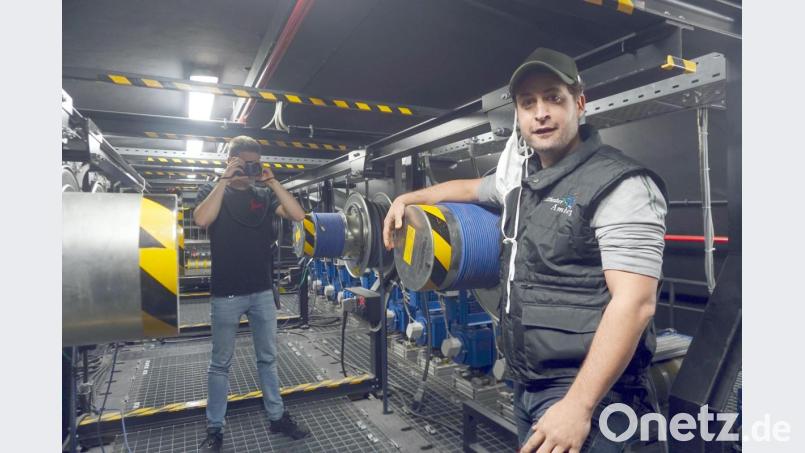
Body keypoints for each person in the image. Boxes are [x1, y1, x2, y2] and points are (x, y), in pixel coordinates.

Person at [383, 48, 668, 453]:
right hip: (529, 384)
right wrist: (408, 199)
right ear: (518, 115)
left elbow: (636, 304)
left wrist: (578, 406)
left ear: (579, 103)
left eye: (554, 97)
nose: (541, 113)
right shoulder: (524, 181)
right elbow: (468, 189)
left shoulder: (620, 185)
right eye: (528, 103)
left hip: (594, 397)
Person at [194, 136, 309, 451]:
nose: (250, 169)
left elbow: (298, 215)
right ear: (231, 161)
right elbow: (202, 219)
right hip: (226, 294)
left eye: (254, 164)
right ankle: (215, 428)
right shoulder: (211, 190)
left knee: (268, 359)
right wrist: (224, 180)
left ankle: (276, 416)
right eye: (244, 163)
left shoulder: (263, 194)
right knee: (220, 363)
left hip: (260, 292)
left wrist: (272, 182)